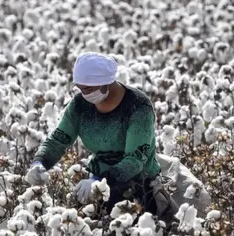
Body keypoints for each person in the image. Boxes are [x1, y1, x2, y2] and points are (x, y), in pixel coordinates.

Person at [27, 51, 165, 216]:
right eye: (80, 88)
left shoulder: (138, 107)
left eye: (89, 89)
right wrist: (39, 162)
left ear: (106, 82)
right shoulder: (80, 105)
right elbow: (58, 141)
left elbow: (135, 161)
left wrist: (99, 180)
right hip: (98, 179)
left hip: (139, 184)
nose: (84, 94)